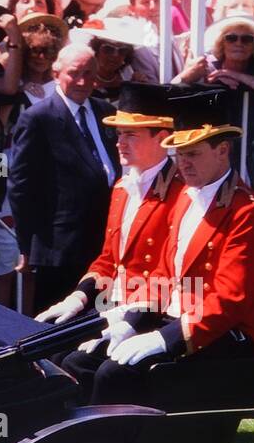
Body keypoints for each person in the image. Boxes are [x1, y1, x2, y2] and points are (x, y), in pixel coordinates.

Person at [61, 87, 254, 406]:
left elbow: (230, 299)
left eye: (193, 154)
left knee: (114, 375)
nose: (184, 165)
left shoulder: (247, 213)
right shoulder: (186, 200)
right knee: (78, 364)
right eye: (179, 155)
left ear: (223, 151)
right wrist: (128, 323)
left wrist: (167, 338)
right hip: (172, 317)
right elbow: (162, 276)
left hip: (223, 332)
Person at [37, 83, 181, 326]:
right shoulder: (122, 188)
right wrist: (80, 295)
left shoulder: (181, 193)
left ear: (162, 138)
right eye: (120, 134)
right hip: (109, 301)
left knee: (74, 361)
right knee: (44, 339)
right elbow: (108, 258)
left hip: (149, 310)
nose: (120, 143)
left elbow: (169, 272)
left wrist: (127, 317)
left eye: (131, 135)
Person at [7, 42, 118, 312]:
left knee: (98, 321)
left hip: (104, 242)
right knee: (57, 325)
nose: (83, 81)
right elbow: (21, 185)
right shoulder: (38, 118)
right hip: (59, 247)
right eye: (74, 73)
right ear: (57, 73)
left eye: (90, 74)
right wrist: (26, 244)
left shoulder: (107, 112)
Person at [173, 11, 254, 179]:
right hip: (208, 150)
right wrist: (187, 75)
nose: (239, 43)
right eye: (231, 38)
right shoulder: (206, 64)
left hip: (247, 150)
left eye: (247, 39)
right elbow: (167, 97)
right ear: (222, 42)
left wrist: (239, 77)